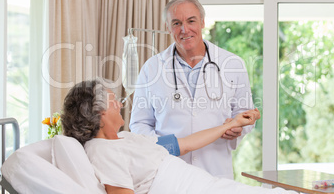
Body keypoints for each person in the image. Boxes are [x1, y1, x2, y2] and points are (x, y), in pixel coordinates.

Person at [61, 79, 294, 194]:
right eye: (113, 100)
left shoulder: (125, 139)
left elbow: (185, 144)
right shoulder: (101, 150)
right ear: (100, 111)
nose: (120, 104)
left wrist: (232, 124)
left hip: (204, 185)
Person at [130, 0, 260, 179]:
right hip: (168, 174)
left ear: (202, 22)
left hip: (215, 173)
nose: (185, 29)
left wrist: (238, 129)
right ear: (167, 28)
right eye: (176, 23)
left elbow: (244, 114)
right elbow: (139, 124)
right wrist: (164, 148)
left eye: (191, 21)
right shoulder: (152, 68)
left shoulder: (232, 64)